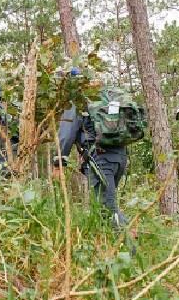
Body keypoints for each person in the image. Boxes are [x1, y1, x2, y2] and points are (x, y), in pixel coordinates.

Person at [53, 87, 130, 232]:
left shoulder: (76, 101)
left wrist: (58, 162)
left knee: (106, 209)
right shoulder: (102, 96)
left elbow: (66, 134)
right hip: (119, 157)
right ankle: (120, 238)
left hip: (101, 159)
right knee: (108, 203)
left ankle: (128, 247)